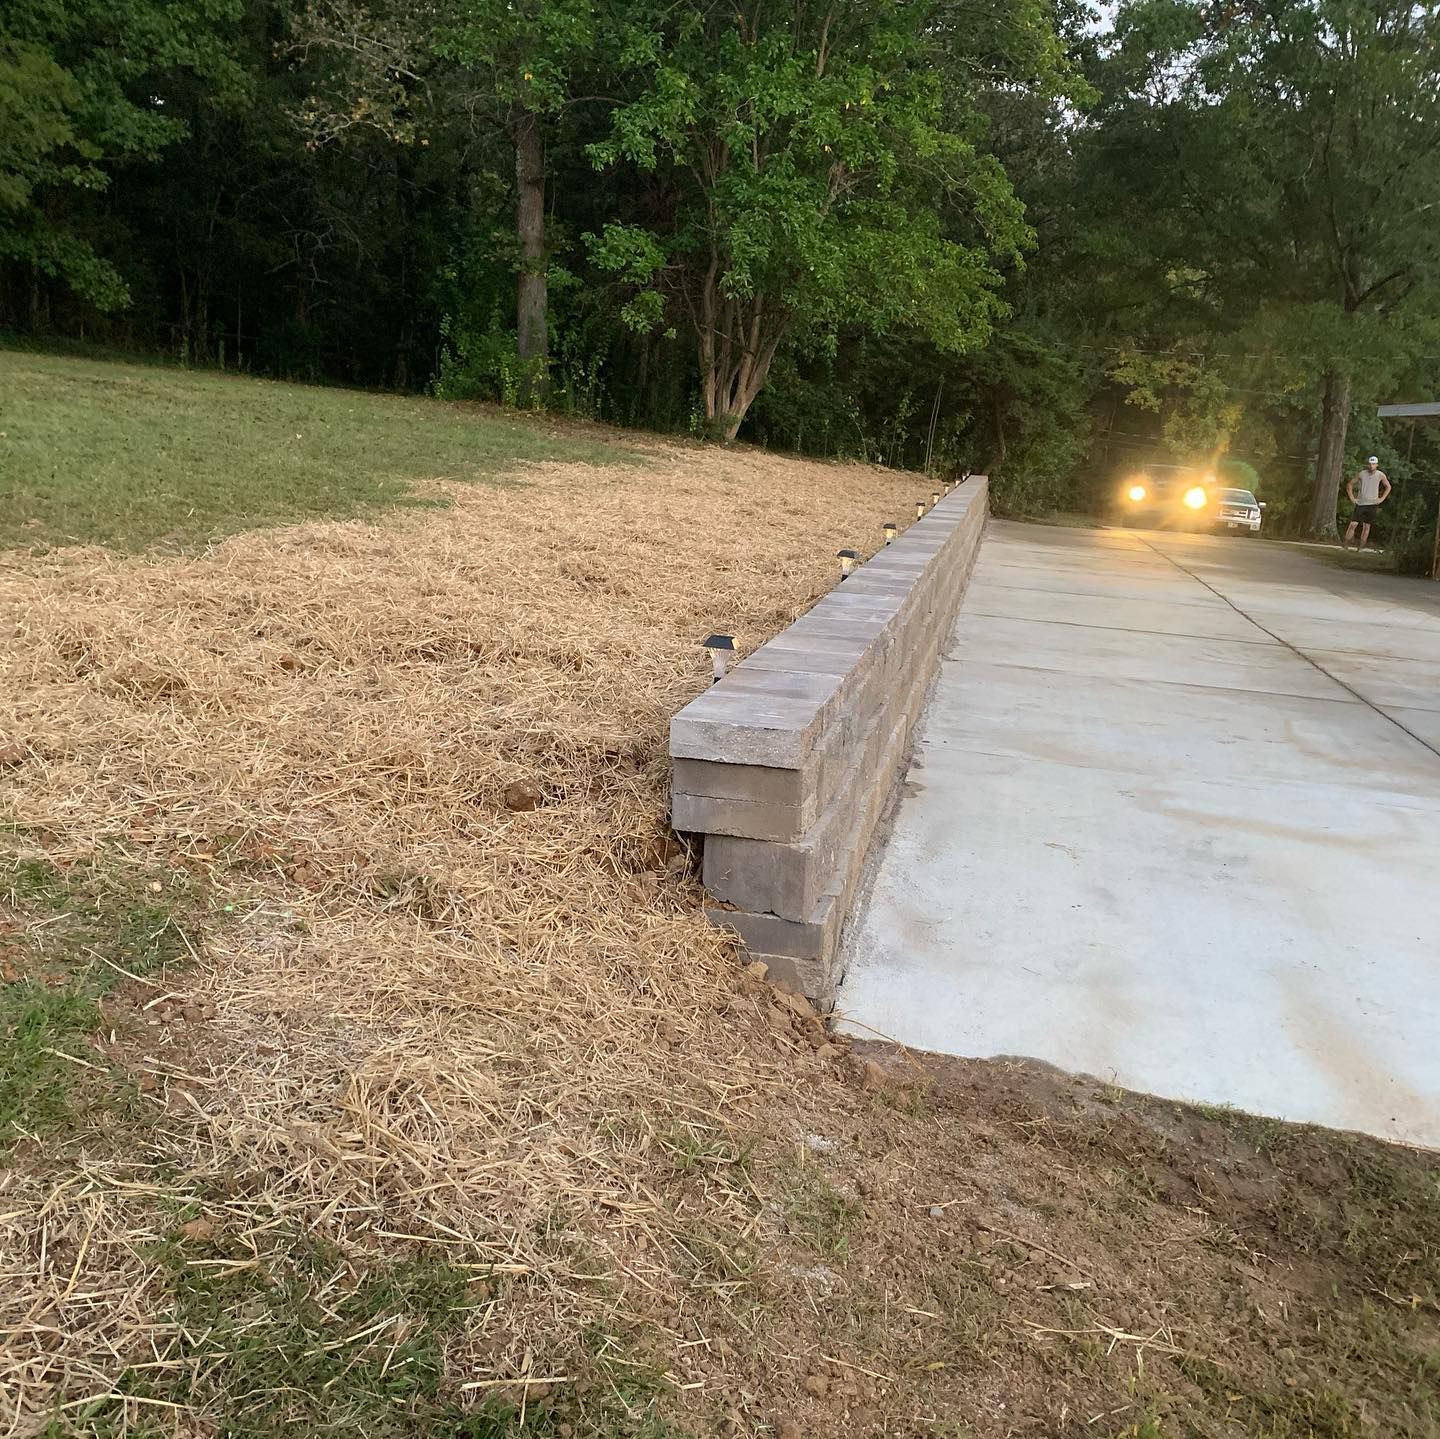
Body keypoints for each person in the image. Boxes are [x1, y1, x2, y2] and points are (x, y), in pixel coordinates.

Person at [1344, 456, 1391, 550]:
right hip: (1361, 503)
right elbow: (1350, 484)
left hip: (1372, 504)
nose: (1371, 466)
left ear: (1377, 465)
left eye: (1373, 464)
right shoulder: (1362, 474)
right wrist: (1352, 498)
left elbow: (1388, 487)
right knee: (1353, 524)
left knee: (1366, 526)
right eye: (1370, 464)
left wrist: (1381, 499)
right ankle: (1345, 545)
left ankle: (1360, 548)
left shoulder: (1380, 475)